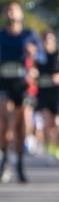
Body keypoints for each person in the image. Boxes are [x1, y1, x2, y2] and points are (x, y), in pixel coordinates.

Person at [0, 1, 43, 183]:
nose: (11, 13)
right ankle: (4, 160)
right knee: (5, 123)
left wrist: (34, 55)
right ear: (5, 15)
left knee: (22, 125)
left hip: (23, 84)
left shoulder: (30, 35)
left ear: (21, 13)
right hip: (4, 82)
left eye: (14, 9)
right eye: (8, 10)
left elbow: (43, 57)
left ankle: (19, 163)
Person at [36, 30, 59, 159]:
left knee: (56, 124)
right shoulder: (39, 57)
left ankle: (55, 147)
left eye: (50, 40)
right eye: (45, 40)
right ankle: (47, 148)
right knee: (46, 123)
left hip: (56, 95)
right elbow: (32, 71)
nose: (47, 43)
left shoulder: (57, 55)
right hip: (43, 94)